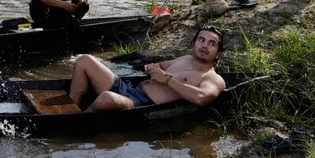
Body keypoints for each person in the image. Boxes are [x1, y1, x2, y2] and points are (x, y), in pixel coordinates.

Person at [68, 26, 226, 111]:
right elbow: (160, 66)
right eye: (201, 40)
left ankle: (77, 123)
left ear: (218, 53)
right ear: (193, 44)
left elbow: (201, 98)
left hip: (140, 103)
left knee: (106, 98)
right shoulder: (185, 59)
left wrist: (168, 80)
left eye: (212, 44)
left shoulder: (213, 78)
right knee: (85, 60)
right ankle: (69, 110)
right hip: (130, 88)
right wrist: (152, 67)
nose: (205, 46)